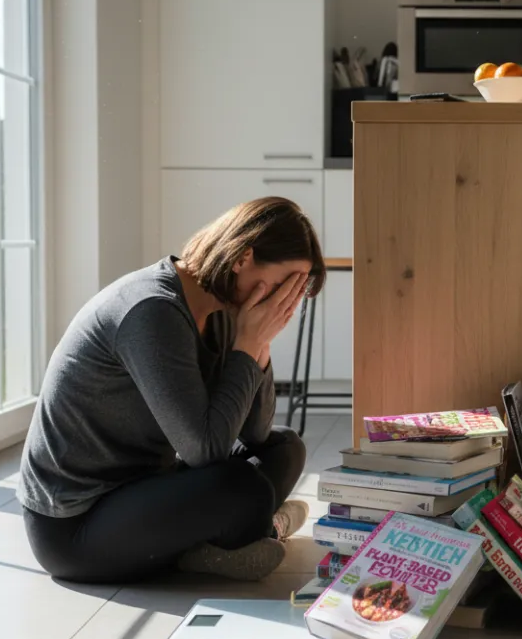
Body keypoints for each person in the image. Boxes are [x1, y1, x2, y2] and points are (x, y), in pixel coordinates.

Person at [17, 197, 325, 583]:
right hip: (74, 526)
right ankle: (254, 531)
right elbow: (204, 450)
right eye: (283, 285)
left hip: (145, 484)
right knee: (241, 486)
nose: (283, 302)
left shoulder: (224, 310)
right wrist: (248, 345)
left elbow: (254, 433)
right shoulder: (153, 310)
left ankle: (226, 537)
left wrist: (259, 346)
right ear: (243, 258)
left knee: (284, 447)